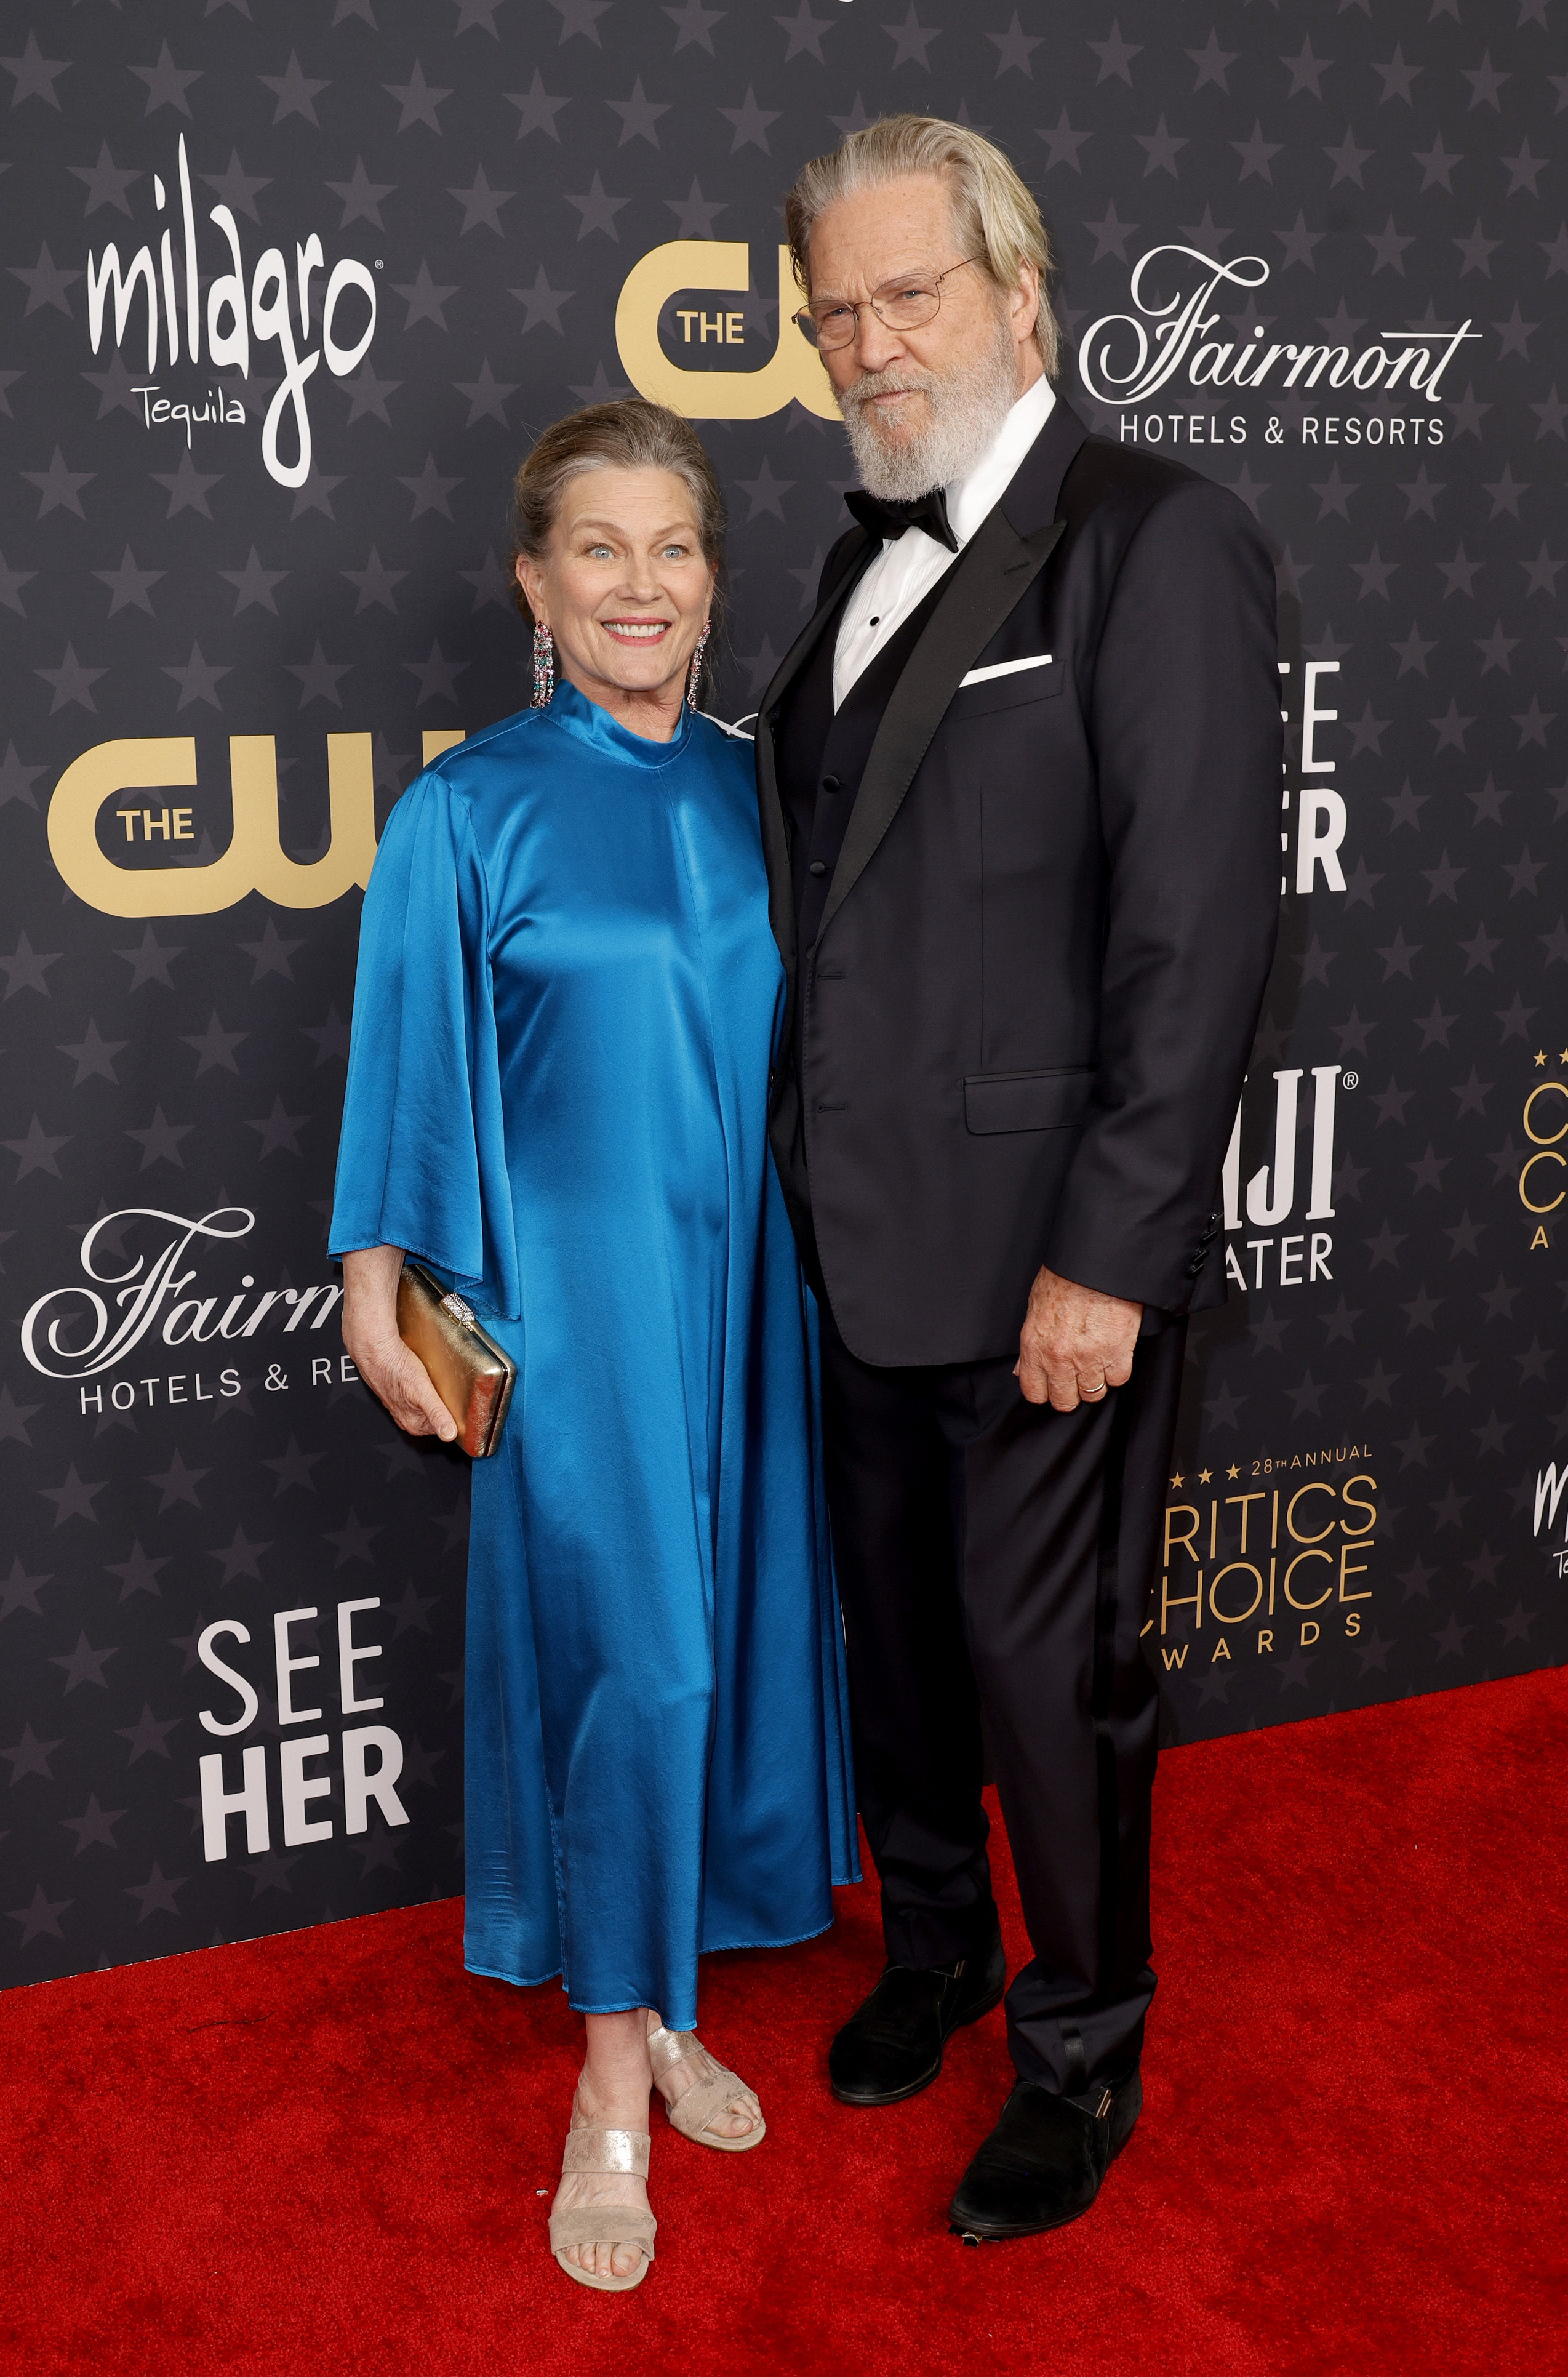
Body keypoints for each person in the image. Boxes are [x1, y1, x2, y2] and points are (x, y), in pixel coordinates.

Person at [758, 116, 1281, 2240]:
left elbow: (1203, 933)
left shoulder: (1149, 534)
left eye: (912, 296)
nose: (873, 345)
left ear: (1021, 294)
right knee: (902, 1638)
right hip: (859, 1235)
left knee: (1051, 1668)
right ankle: (944, 1950)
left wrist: (1113, 1251)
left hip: (1053, 1257)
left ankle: (1079, 2047)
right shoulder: (850, 545)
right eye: (835, 314)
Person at [330, 398, 857, 2293]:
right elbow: (404, 1066)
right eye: (601, 551)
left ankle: (673, 1985)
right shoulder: (468, 807)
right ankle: (610, 2084)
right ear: (534, 584)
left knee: (724, 1646)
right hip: (585, 1303)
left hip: (760, 1303)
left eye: (677, 549)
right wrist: (374, 1278)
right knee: (633, 1656)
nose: (643, 585)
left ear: (715, 584)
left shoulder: (749, 784)